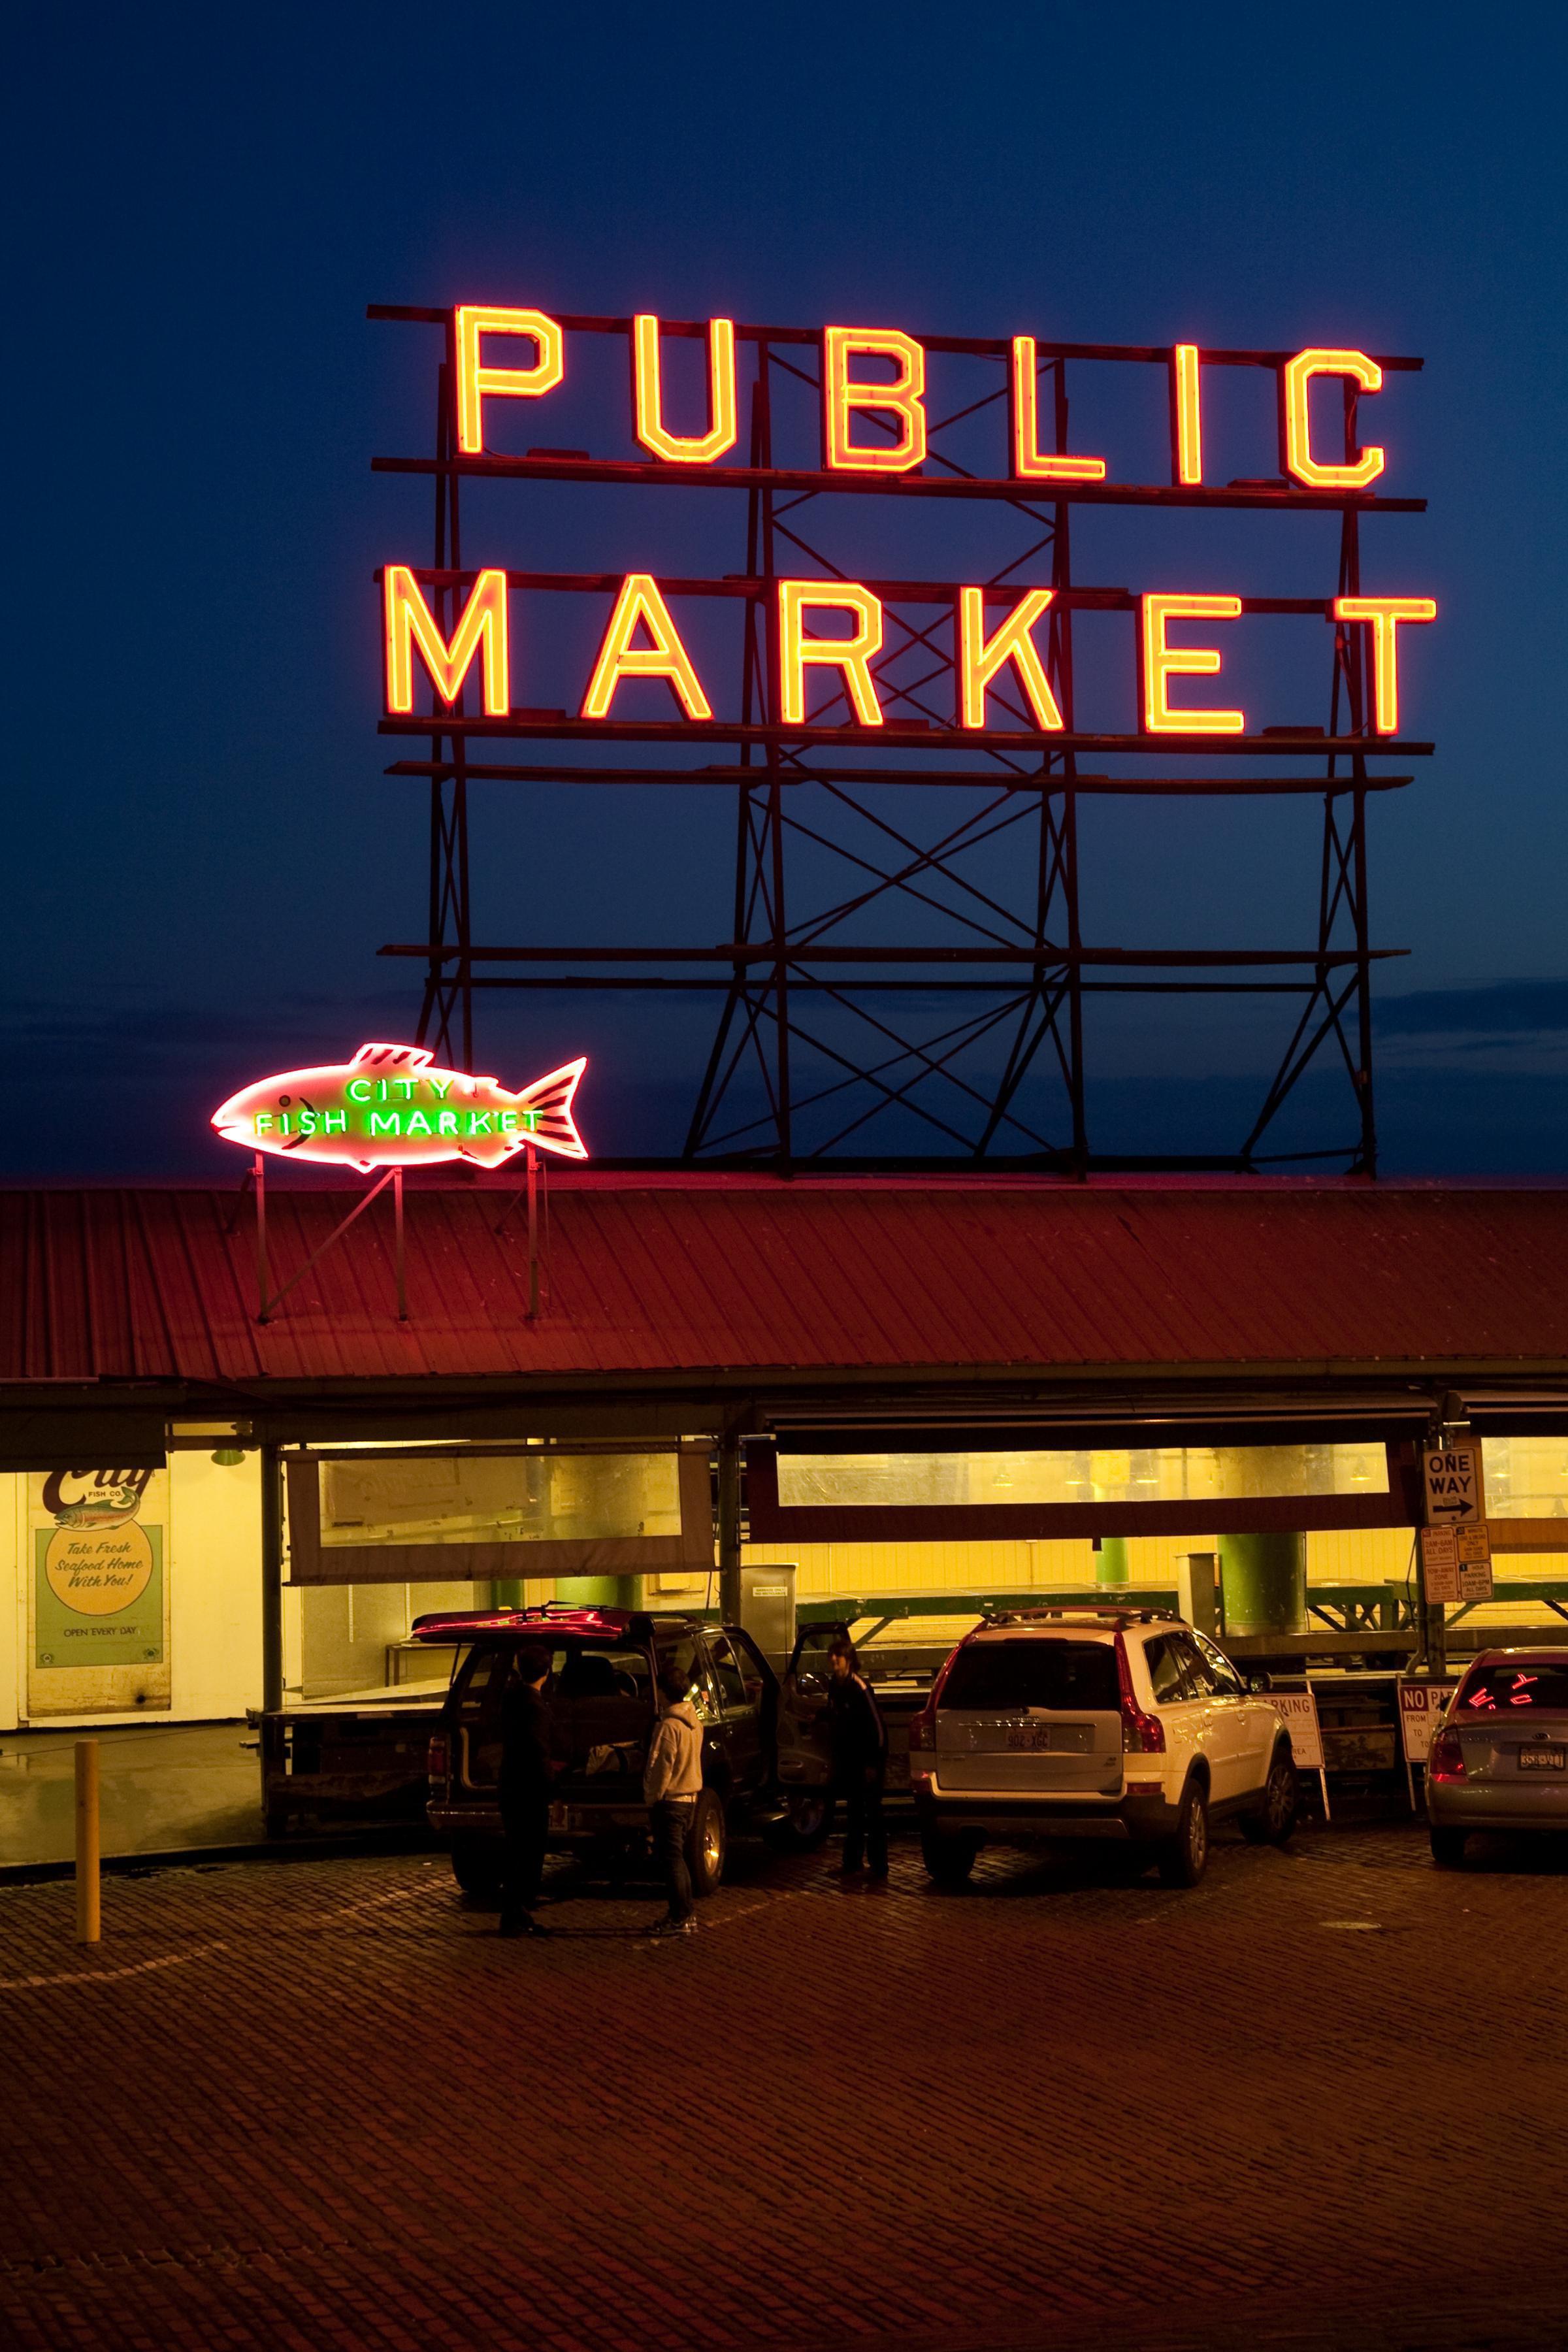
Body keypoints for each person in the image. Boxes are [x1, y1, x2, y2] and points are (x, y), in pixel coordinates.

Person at [498, 1642, 557, 1938]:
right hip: (530, 1790)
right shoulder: (536, 1707)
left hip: (510, 1784)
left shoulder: (510, 1700)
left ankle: (514, 1914)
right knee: (530, 1854)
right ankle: (517, 1913)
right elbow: (539, 1752)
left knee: (517, 1851)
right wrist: (552, 1786)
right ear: (547, 1671)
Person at [642, 1659, 704, 1937]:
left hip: (671, 1799)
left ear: (664, 1692)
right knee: (678, 1858)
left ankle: (680, 1916)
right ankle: (685, 1912)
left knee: (671, 1860)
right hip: (690, 1797)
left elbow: (661, 1766)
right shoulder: (694, 1723)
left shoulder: (668, 1726)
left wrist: (652, 1797)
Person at [827, 1635, 888, 1882]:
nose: (833, 1660)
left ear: (849, 1660)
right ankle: (852, 1862)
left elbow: (878, 1729)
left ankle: (879, 1865)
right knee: (854, 1811)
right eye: (831, 1656)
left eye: (838, 1656)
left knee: (872, 1812)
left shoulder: (860, 1688)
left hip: (867, 1759)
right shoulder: (835, 1685)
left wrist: (873, 1763)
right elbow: (834, 1712)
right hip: (850, 1760)